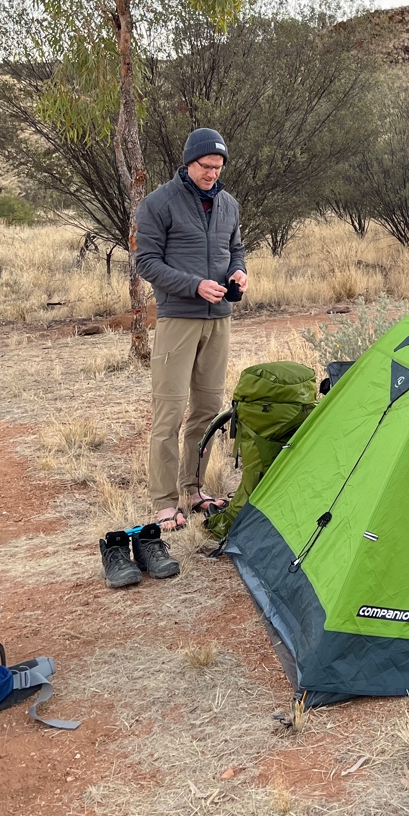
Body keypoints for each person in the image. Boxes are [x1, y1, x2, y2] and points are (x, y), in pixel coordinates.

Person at [136, 128, 247, 530]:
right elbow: (146, 262)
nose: (212, 174)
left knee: (206, 410)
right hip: (178, 319)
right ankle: (165, 502)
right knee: (169, 412)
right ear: (188, 161)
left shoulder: (228, 204)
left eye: (218, 168)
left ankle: (193, 489)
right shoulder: (158, 203)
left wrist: (239, 270)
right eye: (206, 167)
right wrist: (193, 285)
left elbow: (236, 247)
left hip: (219, 321)